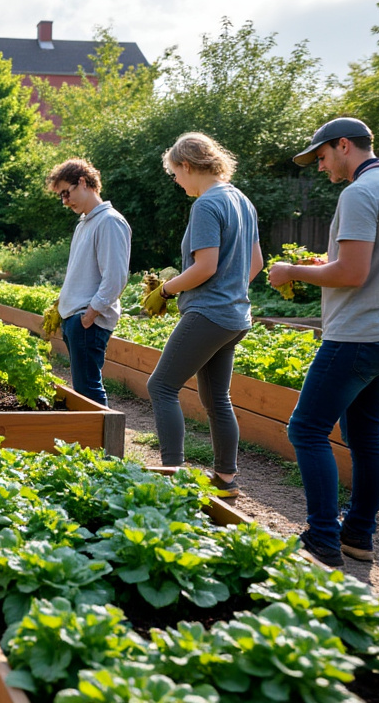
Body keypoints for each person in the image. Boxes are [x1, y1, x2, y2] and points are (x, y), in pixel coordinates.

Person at [270, 117, 379, 567]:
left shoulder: (358, 193)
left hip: (359, 334)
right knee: (365, 435)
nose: (320, 167)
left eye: (321, 157)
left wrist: (293, 271)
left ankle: (322, 539)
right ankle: (357, 536)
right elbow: (370, 262)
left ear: (343, 146)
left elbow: (352, 275)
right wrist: (326, 263)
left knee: (306, 429)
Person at [143, 133, 262, 496]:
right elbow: (255, 263)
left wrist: (165, 290)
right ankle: (226, 480)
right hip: (235, 316)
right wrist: (230, 287)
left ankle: (172, 473)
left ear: (187, 165)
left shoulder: (207, 205)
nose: (176, 182)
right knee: (216, 399)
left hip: (208, 314)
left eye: (175, 174)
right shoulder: (241, 200)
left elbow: (204, 267)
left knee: (161, 386)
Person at [47, 159, 132, 407]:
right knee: (83, 389)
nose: (64, 201)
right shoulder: (85, 222)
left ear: (83, 182)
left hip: (88, 321)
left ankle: (103, 446)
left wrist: (89, 314)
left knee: (88, 392)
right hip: (76, 318)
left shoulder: (109, 221)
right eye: (60, 196)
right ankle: (92, 445)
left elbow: (115, 278)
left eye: (66, 192)